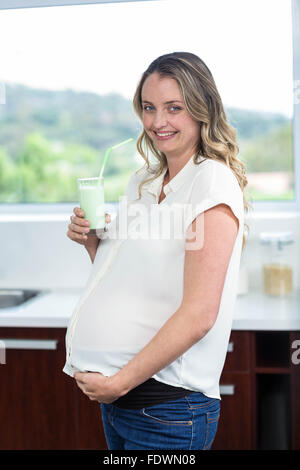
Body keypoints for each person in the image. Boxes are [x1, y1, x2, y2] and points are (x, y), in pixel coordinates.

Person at [63, 51, 250, 450]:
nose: (157, 122)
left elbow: (200, 314)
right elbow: (131, 282)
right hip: (121, 406)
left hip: (169, 411)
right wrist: (93, 241)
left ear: (202, 111)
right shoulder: (145, 182)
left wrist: (118, 382)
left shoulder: (211, 184)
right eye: (149, 108)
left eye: (174, 108)